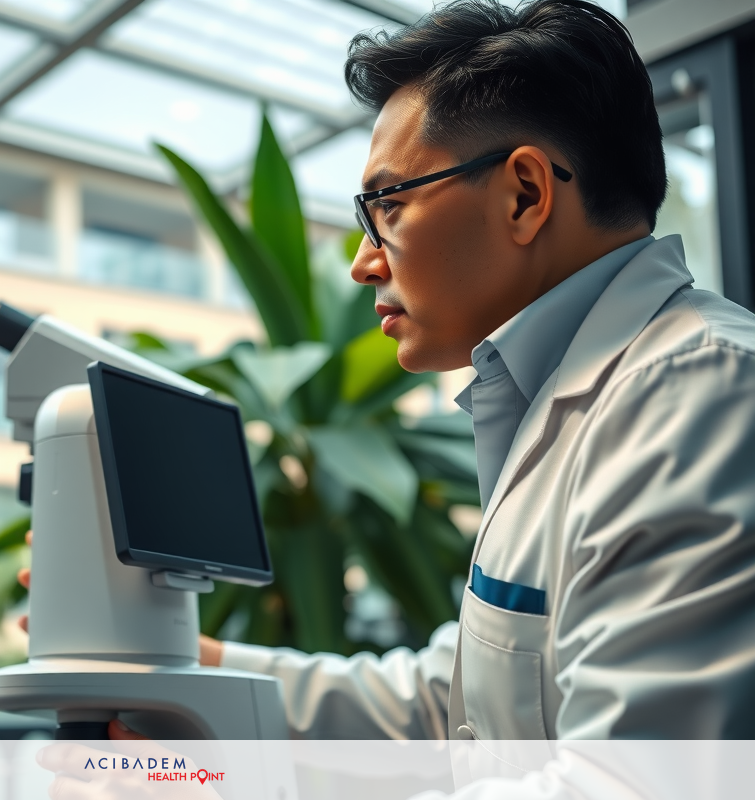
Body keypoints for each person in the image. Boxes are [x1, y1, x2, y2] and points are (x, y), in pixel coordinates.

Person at [163, 0, 755, 740]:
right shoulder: (568, 398)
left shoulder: (698, 391)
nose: (361, 262)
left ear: (525, 195)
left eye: (385, 206)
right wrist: (194, 668)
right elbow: (456, 701)